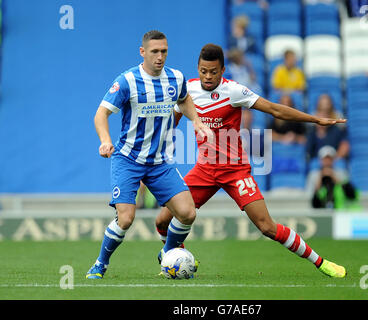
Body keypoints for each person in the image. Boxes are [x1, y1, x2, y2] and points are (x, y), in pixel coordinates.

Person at [155, 43, 348, 278]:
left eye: (213, 72)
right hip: (204, 170)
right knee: (162, 221)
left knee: (266, 226)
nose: (207, 76)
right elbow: (171, 123)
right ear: (198, 68)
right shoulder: (188, 91)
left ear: (223, 70)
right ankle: (178, 257)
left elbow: (275, 110)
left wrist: (315, 120)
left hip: (235, 171)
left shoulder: (234, 91)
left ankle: (321, 262)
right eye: (203, 71)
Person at [86, 30, 212, 279]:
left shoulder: (176, 78)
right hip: (128, 160)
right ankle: (101, 263)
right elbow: (101, 114)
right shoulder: (127, 81)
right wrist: (105, 141)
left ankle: (167, 253)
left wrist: (196, 120)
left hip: (161, 163)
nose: (160, 56)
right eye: (154, 51)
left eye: (164, 51)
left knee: (188, 213)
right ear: (142, 52)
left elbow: (185, 99)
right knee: (126, 219)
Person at [306, 94, 350, 161]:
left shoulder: (337, 130)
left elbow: (345, 146)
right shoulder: (311, 131)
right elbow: (308, 151)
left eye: (326, 113)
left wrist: (332, 161)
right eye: (320, 114)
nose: (323, 117)